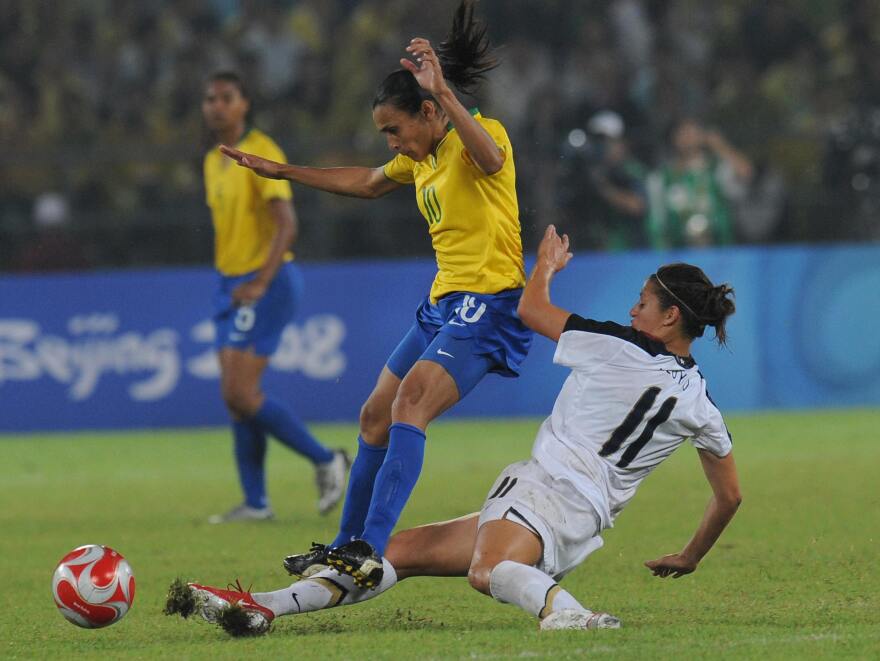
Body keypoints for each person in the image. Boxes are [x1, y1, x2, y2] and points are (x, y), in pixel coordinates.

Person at [165, 225, 742, 635]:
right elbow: (729, 496)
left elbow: (531, 310)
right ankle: (263, 607)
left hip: (545, 493)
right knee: (396, 552)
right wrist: (690, 555)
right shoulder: (701, 403)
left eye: (642, 303)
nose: (633, 311)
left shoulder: (619, 346)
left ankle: (568, 613)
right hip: (578, 519)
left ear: (670, 317)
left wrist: (544, 264)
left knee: (485, 571)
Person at [218, 0, 532, 585]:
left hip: (488, 304)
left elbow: (489, 162)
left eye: (395, 129)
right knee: (372, 417)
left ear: (431, 111)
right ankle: (342, 546)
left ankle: (370, 548)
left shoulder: (478, 136)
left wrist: (445, 93)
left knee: (409, 405)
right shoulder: (424, 158)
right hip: (442, 305)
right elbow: (364, 182)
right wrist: (283, 173)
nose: (390, 142)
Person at [200, 71, 349, 524]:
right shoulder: (212, 160)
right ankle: (256, 503)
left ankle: (326, 459)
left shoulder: (261, 151)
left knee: (240, 392)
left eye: (226, 98)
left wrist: (261, 283)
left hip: (265, 281)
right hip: (231, 284)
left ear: (244, 104)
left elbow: (286, 224)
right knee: (236, 399)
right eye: (210, 99)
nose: (216, 106)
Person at [646, 117, 753, 249]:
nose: (687, 137)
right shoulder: (661, 178)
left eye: (692, 132)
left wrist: (719, 146)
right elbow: (657, 221)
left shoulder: (716, 170)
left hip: (719, 253)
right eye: (682, 133)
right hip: (679, 256)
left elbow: (746, 173)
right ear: (673, 138)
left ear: (701, 136)